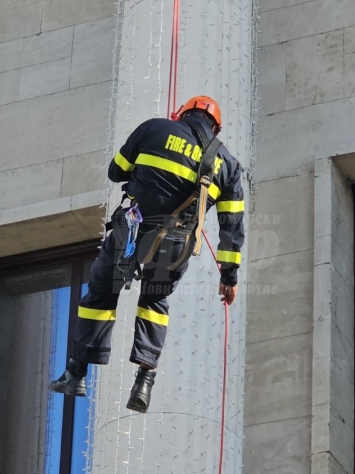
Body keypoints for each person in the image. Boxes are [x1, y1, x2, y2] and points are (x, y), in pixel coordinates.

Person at [49, 95, 245, 413]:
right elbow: (231, 227)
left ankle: (76, 372)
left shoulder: (154, 129)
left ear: (181, 115)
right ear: (216, 129)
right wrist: (228, 276)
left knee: (101, 293)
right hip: (177, 246)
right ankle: (144, 381)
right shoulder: (229, 167)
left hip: (133, 230)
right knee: (154, 302)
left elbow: (116, 172)